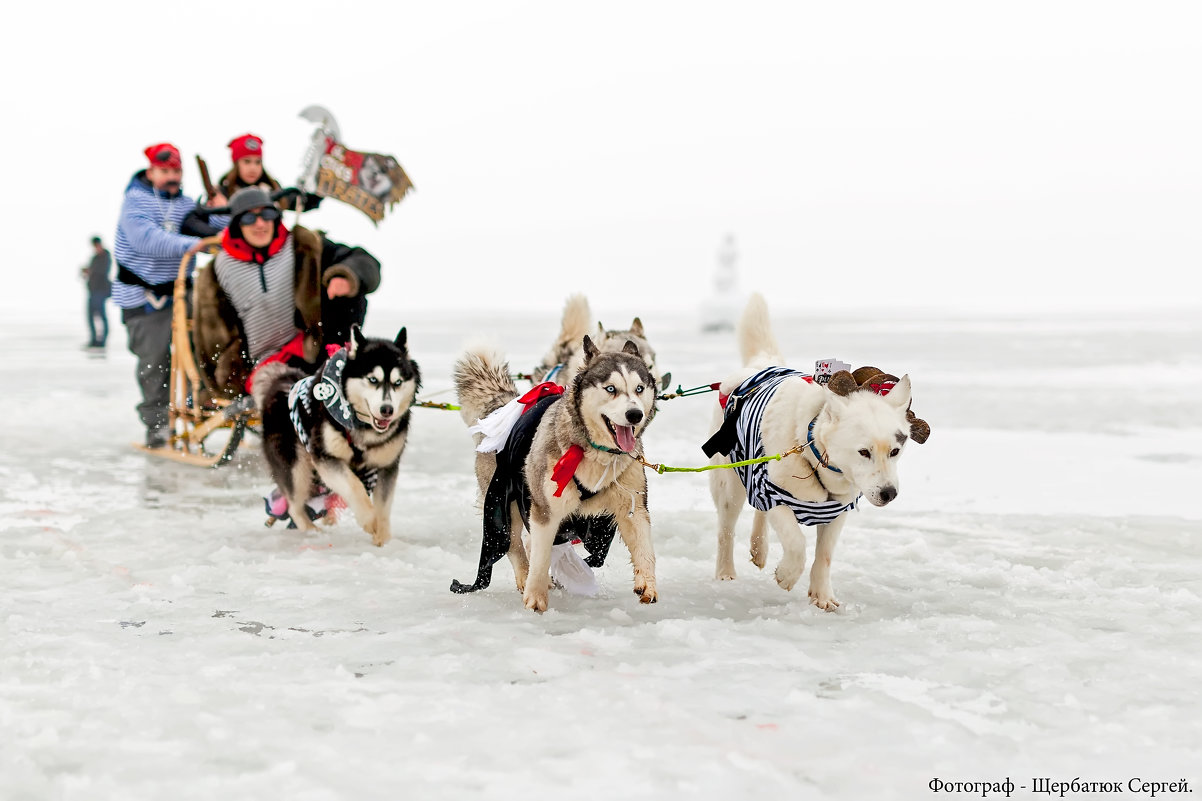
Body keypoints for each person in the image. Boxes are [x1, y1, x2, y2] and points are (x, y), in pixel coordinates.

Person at [193, 187, 380, 399]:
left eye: (267, 215)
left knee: (351, 290)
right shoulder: (217, 271)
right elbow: (210, 339)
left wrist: (345, 276)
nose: (260, 224)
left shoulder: (304, 246)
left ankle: (339, 367)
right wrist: (225, 385)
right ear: (237, 225)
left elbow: (364, 261)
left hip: (313, 348)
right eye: (249, 218)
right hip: (263, 363)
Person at [112, 142, 224, 448]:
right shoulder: (134, 203)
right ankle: (158, 426)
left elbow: (217, 227)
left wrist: (222, 208)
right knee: (154, 363)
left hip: (180, 293)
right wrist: (194, 245)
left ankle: (196, 409)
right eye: (165, 171)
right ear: (151, 171)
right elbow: (148, 240)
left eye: (176, 170)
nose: (171, 176)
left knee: (199, 351)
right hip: (142, 297)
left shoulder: (186, 203)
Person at [216, 133, 320, 212]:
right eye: (247, 162)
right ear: (236, 164)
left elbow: (300, 203)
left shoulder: (271, 189)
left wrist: (319, 187)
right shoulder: (223, 192)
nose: (253, 168)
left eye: (258, 162)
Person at [81, 236, 111, 349]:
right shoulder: (94, 258)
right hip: (92, 291)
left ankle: (103, 340)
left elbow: (102, 271)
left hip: (101, 291)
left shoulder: (105, 256)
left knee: (101, 316)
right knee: (90, 316)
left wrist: (91, 271)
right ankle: (94, 339)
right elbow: (91, 271)